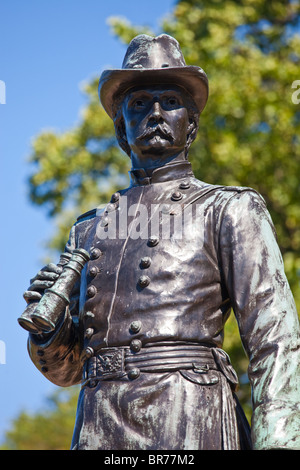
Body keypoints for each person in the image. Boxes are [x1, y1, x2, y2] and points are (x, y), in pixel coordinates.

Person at [23, 34, 299, 450]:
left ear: (191, 122)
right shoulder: (89, 228)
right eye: (139, 104)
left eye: (170, 101)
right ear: (122, 127)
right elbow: (68, 370)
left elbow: (275, 338)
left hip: (190, 413)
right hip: (101, 423)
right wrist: (49, 332)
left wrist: (278, 441)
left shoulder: (228, 208)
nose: (155, 113)